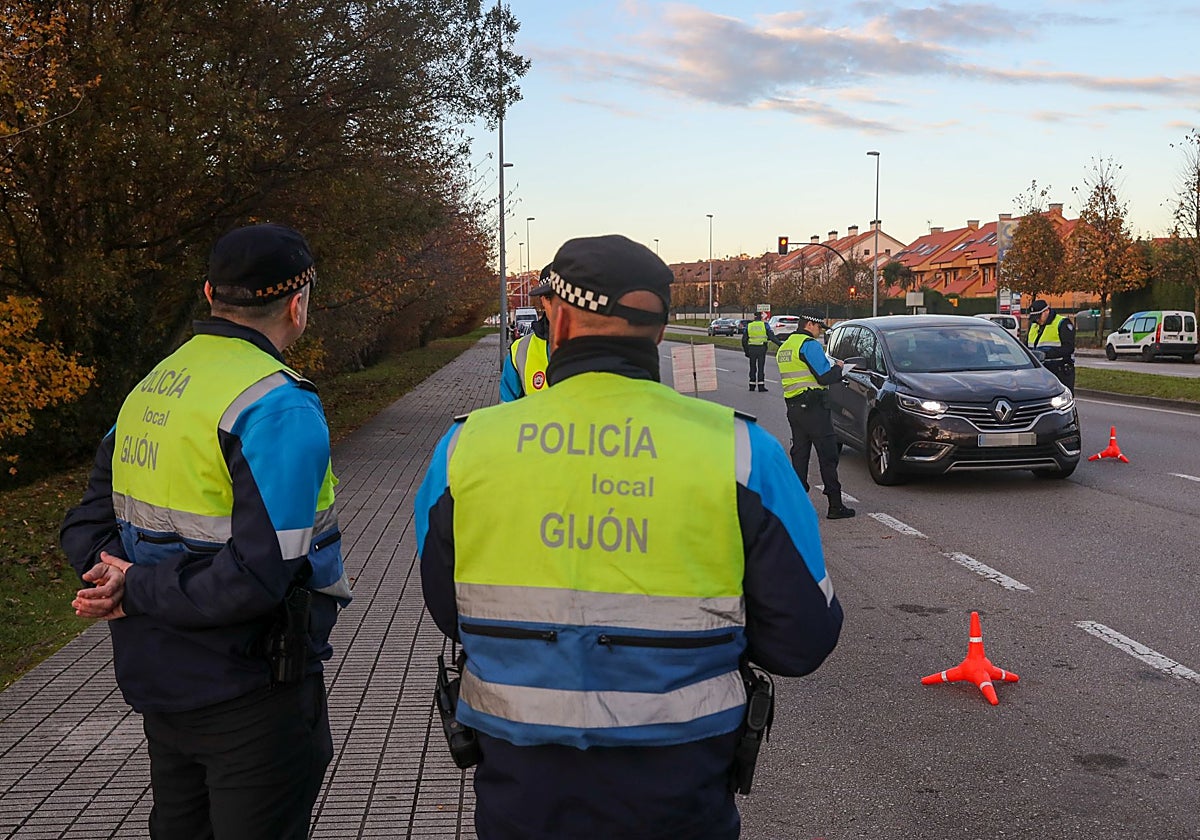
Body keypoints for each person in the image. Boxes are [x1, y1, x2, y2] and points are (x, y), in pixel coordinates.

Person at [416, 234, 843, 840]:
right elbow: (803, 640)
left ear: (555, 319)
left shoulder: (465, 448)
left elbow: (449, 611)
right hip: (680, 792)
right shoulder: (743, 451)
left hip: (520, 791)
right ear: (662, 331)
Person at [60, 223, 352, 840]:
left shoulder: (150, 387)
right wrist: (134, 589)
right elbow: (255, 578)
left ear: (209, 292)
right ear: (298, 305)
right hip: (252, 692)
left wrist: (116, 581)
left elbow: (84, 525)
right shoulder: (278, 403)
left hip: (158, 683)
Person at [777, 312, 855, 520]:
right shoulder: (809, 345)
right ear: (810, 324)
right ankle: (835, 506)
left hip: (794, 408)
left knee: (800, 455)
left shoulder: (785, 347)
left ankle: (796, 506)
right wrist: (839, 369)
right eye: (819, 327)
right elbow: (824, 377)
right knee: (828, 456)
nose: (820, 332)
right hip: (815, 409)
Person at [499, 265, 553, 401]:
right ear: (542, 300)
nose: (558, 306)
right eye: (549, 297)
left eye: (565, 297)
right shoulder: (521, 351)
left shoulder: (603, 346)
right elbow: (507, 409)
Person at [1026, 298, 1076, 392]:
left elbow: (1068, 348)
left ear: (1047, 311)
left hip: (1060, 370)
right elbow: (1027, 345)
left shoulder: (1062, 323)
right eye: (1034, 317)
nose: (1037, 320)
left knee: (1062, 399)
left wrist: (1046, 354)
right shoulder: (1034, 325)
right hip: (1040, 370)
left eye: (1038, 316)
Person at [741, 311, 780, 392]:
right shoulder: (765, 325)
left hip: (752, 348)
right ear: (761, 317)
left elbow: (744, 340)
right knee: (761, 367)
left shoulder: (749, 326)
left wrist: (746, 351)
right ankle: (761, 386)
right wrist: (780, 344)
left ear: (754, 317)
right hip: (761, 348)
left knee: (752, 367)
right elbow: (772, 337)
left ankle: (752, 385)